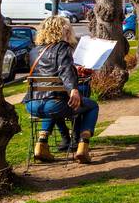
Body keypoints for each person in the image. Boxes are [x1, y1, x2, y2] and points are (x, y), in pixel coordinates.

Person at [26, 14, 100, 164]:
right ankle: (82, 146)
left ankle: (41, 143)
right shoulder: (63, 47)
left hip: (32, 104)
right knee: (92, 106)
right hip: (55, 104)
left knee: (51, 104)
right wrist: (73, 89)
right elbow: (65, 70)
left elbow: (49, 72)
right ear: (64, 31)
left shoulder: (34, 51)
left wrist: (74, 70)